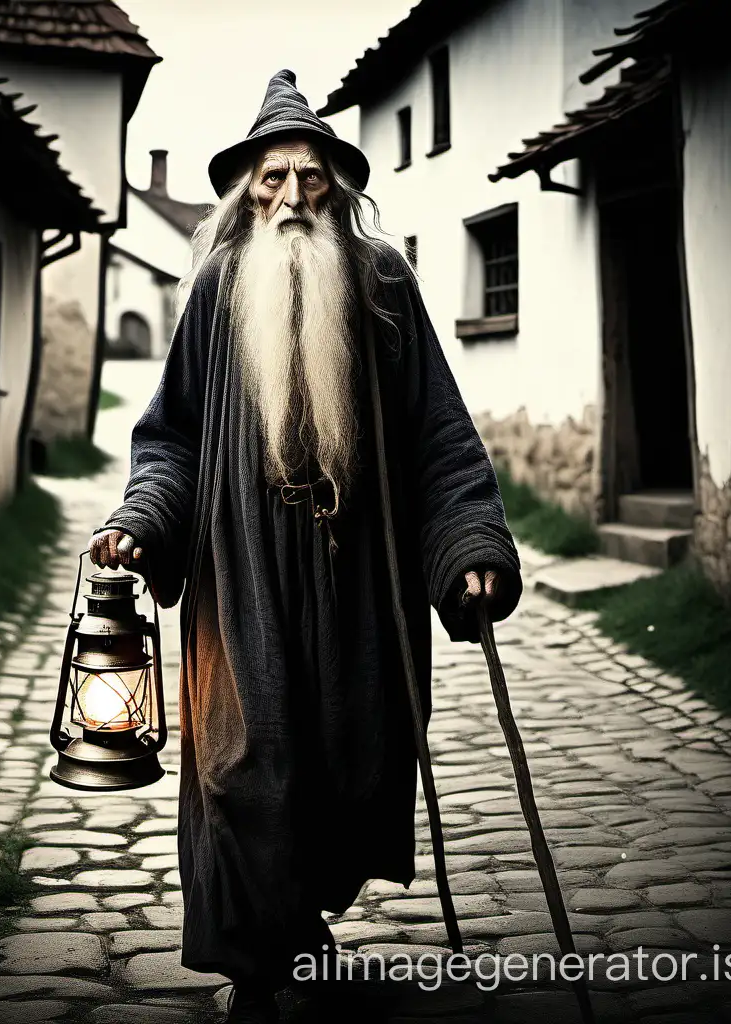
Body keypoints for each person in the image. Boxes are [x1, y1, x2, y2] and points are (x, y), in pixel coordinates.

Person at [90, 70, 522, 1023]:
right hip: (237, 573)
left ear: (339, 187)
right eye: (272, 180)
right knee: (242, 767)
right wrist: (140, 521)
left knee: (341, 767)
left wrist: (469, 547)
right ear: (246, 190)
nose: (291, 198)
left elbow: (439, 438)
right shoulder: (213, 288)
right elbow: (170, 440)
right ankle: (261, 969)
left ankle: (298, 939)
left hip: (355, 578)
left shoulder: (385, 287)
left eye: (310, 179)